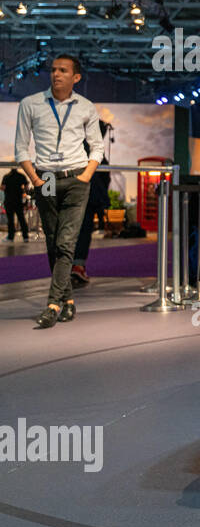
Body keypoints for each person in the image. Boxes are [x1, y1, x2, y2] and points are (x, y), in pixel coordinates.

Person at [13, 54, 104, 328]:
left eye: (63, 70)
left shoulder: (86, 107)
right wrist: (36, 180)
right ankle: (69, 301)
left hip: (76, 179)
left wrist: (86, 176)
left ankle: (53, 304)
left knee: (66, 243)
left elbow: (97, 146)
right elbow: (20, 147)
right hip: (46, 179)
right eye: (53, 69)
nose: (56, 74)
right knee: (52, 242)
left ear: (76, 77)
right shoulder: (30, 104)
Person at [71, 121, 112, 285]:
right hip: (88, 197)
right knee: (83, 231)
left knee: (70, 231)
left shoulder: (75, 148)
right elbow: (104, 176)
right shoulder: (96, 151)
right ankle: (78, 266)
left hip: (73, 195)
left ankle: (67, 267)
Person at [3, 167, 30, 241]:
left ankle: (11, 237)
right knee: (21, 219)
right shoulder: (21, 176)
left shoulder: (6, 176)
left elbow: (3, 187)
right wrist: (23, 192)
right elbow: (27, 187)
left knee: (10, 220)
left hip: (9, 200)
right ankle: (25, 236)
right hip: (18, 200)